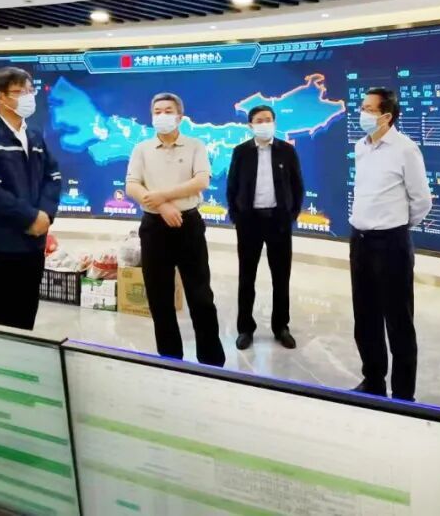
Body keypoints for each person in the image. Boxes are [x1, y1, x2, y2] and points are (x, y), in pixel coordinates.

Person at [125, 93, 226, 367]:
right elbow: (132, 185)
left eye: (168, 111)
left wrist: (163, 197)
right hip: (154, 229)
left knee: (200, 296)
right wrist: (162, 207)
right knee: (159, 297)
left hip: (188, 225)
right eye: (157, 111)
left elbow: (201, 181)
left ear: (180, 116)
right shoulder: (142, 149)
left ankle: (212, 361)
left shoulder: (195, 146)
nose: (162, 116)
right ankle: (170, 360)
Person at [0, 67, 61, 330]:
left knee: (25, 313)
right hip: (0, 244)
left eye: (31, 91)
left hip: (33, 244)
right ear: (1, 97)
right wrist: (29, 218)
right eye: (20, 91)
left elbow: (53, 176)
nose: (28, 97)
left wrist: (46, 215)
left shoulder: (34, 136)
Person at [349, 87, 432, 401]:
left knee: (398, 322)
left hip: (391, 244)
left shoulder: (405, 149)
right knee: (365, 318)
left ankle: (403, 395)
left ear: (386, 116)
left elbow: (421, 200)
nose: (362, 114)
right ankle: (373, 381)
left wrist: (397, 227)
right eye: (362, 107)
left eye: (369, 109)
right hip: (360, 241)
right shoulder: (361, 146)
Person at [226, 105, 305, 350]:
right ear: (250, 125)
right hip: (249, 222)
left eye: (268, 119)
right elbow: (232, 186)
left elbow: (297, 186)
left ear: (274, 122)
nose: (264, 124)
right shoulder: (241, 152)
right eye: (259, 120)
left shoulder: (287, 151)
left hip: (278, 222)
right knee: (246, 277)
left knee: (281, 278)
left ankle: (281, 327)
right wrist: (237, 216)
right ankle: (245, 329)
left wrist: (290, 215)